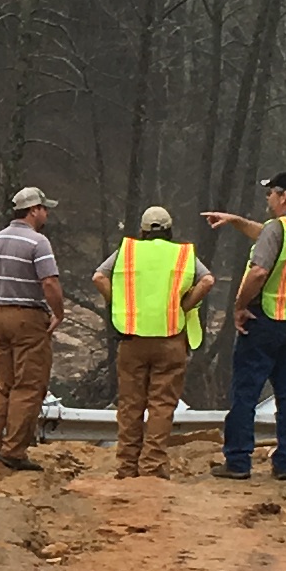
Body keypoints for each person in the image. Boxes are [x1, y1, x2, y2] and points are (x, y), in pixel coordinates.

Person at [200, 171, 286, 480]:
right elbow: (271, 237)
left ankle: (238, 461)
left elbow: (259, 271)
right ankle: (285, 463)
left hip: (265, 321)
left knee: (245, 393)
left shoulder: (278, 229)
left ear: (283, 196)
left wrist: (239, 306)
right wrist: (235, 221)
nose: (268, 198)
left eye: (271, 193)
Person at [101, 203, 206, 479]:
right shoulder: (182, 254)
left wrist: (119, 304)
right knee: (161, 405)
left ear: (143, 231)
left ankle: (126, 467)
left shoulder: (128, 252)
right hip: (170, 338)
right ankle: (152, 468)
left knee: (130, 404)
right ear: (170, 230)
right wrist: (185, 305)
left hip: (132, 337)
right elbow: (207, 281)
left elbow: (98, 276)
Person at [0, 187, 65, 468]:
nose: (47, 213)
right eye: (44, 209)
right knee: (29, 385)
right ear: (33, 210)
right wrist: (58, 313)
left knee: (4, 382)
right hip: (28, 317)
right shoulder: (38, 243)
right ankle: (14, 450)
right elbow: (49, 282)